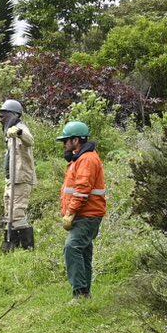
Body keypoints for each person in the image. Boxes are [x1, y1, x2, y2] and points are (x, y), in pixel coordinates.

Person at [57, 120, 107, 298]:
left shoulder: (87, 159)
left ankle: (79, 294)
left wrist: (70, 212)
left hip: (87, 214)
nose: (64, 144)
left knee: (72, 248)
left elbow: (82, 189)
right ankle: (85, 294)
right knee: (84, 251)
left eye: (66, 140)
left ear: (76, 140)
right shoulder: (82, 158)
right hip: (86, 214)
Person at [0, 99, 35, 251]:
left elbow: (30, 140)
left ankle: (27, 248)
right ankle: (11, 246)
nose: (1, 118)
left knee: (17, 213)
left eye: (4, 115)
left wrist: (19, 133)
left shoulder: (20, 128)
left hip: (21, 178)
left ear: (13, 114)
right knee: (9, 213)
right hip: (11, 179)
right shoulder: (9, 132)